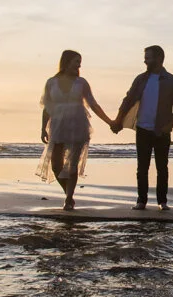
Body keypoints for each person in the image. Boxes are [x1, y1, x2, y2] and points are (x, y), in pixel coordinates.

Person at [38, 50, 116, 211]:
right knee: (56, 166)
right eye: (76, 61)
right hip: (58, 127)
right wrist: (42, 128)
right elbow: (47, 107)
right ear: (66, 62)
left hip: (78, 125)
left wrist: (110, 122)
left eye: (80, 62)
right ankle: (68, 193)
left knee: (72, 166)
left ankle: (68, 199)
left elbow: (93, 105)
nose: (79, 65)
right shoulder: (51, 82)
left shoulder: (81, 83)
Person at [111, 45, 173, 211]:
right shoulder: (140, 79)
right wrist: (118, 120)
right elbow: (128, 100)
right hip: (142, 128)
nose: (145, 60)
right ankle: (141, 201)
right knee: (142, 167)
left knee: (162, 167)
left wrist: (169, 126)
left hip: (162, 130)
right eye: (145, 57)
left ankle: (162, 201)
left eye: (148, 57)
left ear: (159, 58)